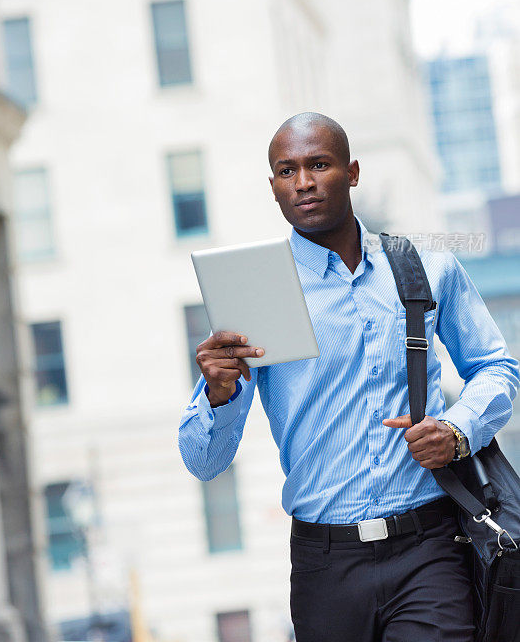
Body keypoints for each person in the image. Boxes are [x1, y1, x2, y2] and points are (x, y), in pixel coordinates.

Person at [178, 111, 519, 642]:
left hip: (430, 548)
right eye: (286, 171)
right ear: (273, 188)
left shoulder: (423, 266)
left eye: (319, 165)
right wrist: (219, 395)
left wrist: (457, 431)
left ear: (352, 172)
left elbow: (496, 367)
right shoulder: (257, 292)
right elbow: (204, 461)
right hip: (325, 565)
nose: (304, 182)